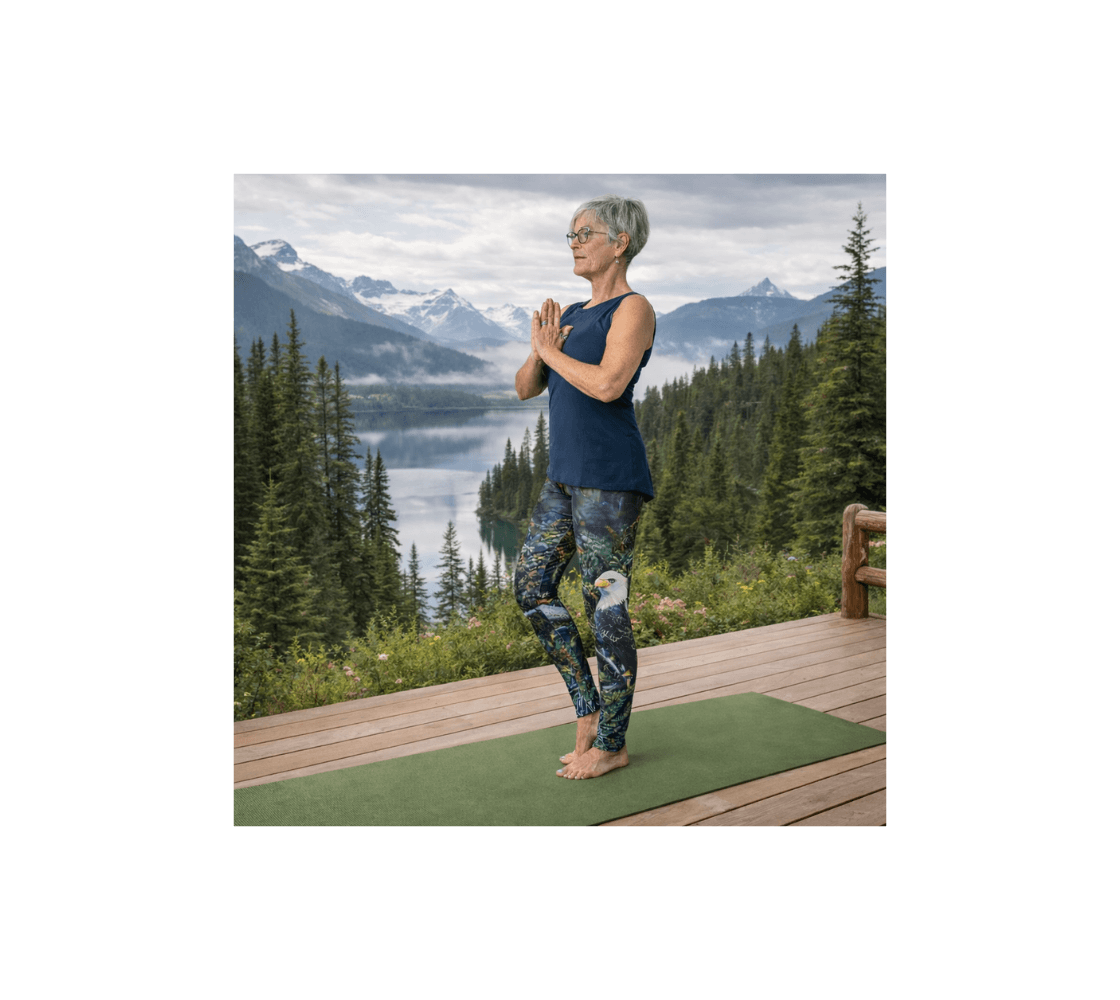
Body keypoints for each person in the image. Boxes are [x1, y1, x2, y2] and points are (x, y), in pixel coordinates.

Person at [514, 195, 657, 780]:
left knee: (607, 608)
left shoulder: (634, 308)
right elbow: (526, 387)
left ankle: (613, 743)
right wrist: (540, 348)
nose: (573, 242)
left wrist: (555, 351)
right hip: (564, 479)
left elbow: (608, 384)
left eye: (584, 233)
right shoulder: (571, 311)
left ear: (619, 242)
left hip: (610, 481)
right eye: (569, 235)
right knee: (531, 587)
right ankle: (587, 710)